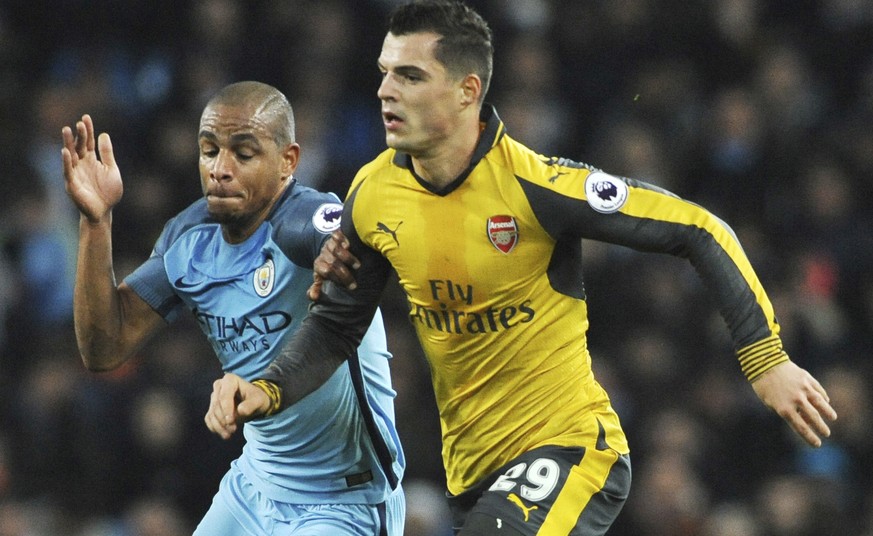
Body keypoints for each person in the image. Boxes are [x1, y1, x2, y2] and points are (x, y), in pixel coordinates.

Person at [204, 3, 838, 535]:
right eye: (382, 73)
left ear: (467, 90)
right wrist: (270, 387)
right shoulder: (372, 195)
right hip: (475, 474)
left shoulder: (536, 187)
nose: (384, 91)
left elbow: (701, 229)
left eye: (409, 75)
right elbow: (338, 324)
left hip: (570, 449)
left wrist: (767, 360)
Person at [61, 81, 405, 535]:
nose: (220, 169)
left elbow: (336, 235)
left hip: (343, 498)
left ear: (288, 161)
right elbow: (104, 348)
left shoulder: (304, 219)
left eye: (243, 154)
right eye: (209, 151)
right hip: (253, 486)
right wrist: (96, 222)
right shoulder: (188, 241)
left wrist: (339, 248)